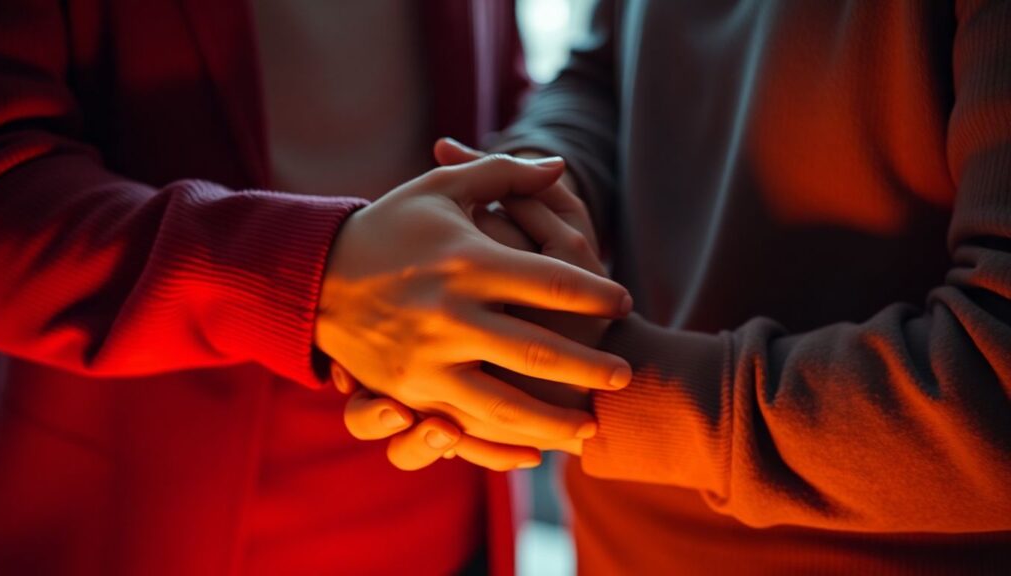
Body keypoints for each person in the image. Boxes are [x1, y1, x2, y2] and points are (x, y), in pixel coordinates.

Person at [345, 1, 1011, 573]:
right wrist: (518, 206)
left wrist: (590, 383)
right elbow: (605, 70)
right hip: (616, 542)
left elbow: (994, 386)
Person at [0, 1, 634, 574]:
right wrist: (313, 274)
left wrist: (521, 215)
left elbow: (494, 96)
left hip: (449, 510)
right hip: (148, 517)